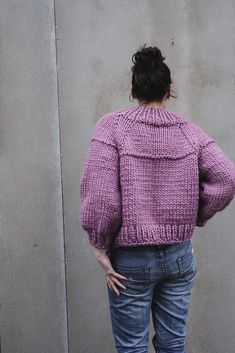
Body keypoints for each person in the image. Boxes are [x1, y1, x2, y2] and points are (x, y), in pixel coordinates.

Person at [79, 44, 235, 353]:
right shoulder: (190, 132)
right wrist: (195, 214)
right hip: (179, 258)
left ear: (133, 89)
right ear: (169, 91)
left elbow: (102, 198)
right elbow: (227, 177)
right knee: (172, 344)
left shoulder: (111, 127)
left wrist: (99, 246)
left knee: (132, 347)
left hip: (130, 263)